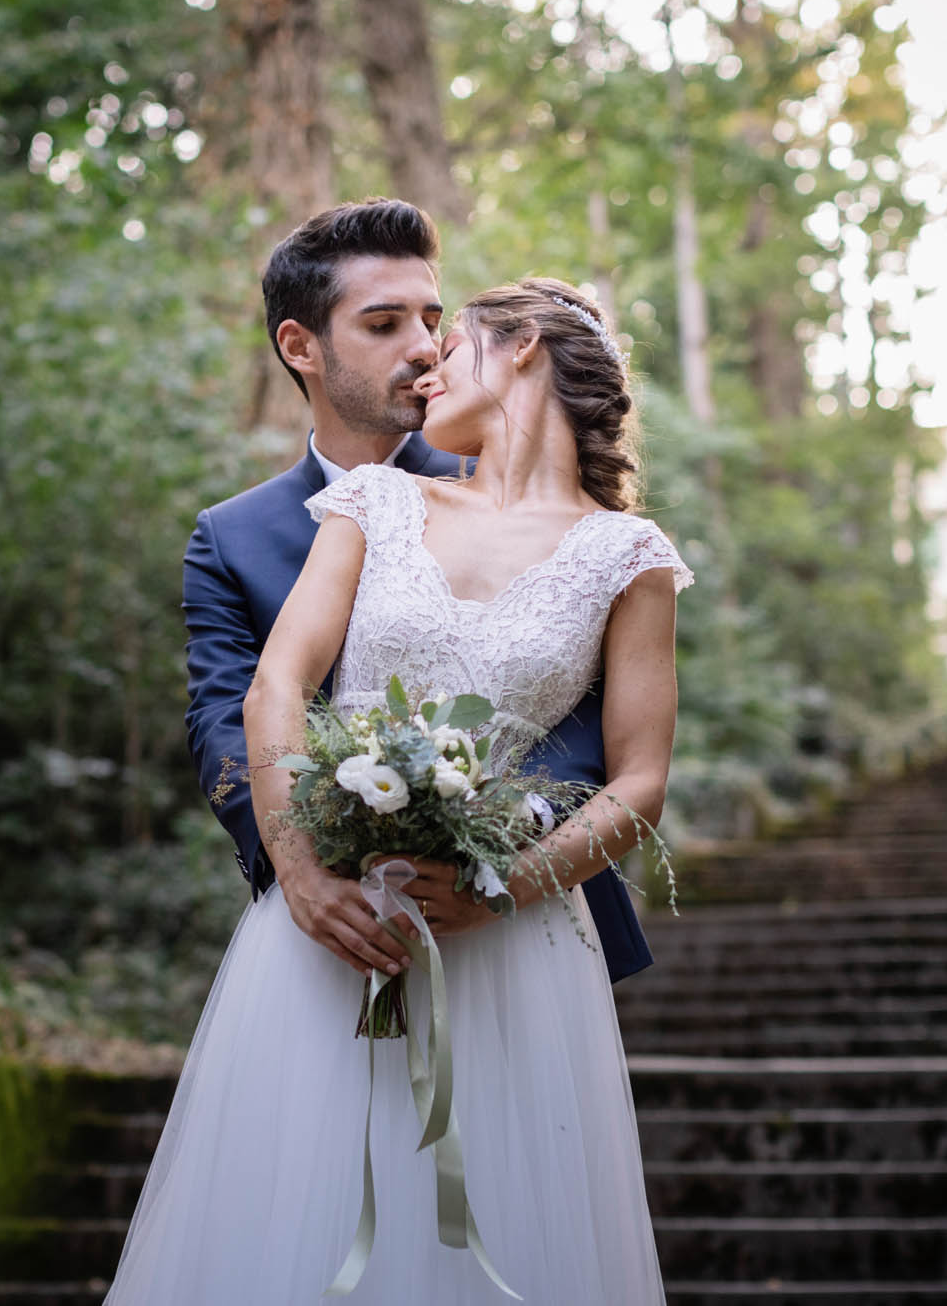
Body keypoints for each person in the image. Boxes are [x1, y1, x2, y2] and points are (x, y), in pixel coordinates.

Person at [103, 276, 691, 1302]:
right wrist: (300, 857)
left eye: (451, 344)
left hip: (513, 943)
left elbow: (639, 777)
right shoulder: (375, 498)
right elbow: (276, 683)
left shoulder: (626, 555)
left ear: (520, 353)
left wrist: (505, 880)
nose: (427, 366)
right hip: (333, 921)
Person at [181, 197, 653, 984]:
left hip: (518, 914)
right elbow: (224, 721)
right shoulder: (231, 538)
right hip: (330, 918)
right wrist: (301, 867)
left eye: (433, 320)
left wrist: (502, 828)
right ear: (301, 346)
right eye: (383, 324)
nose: (425, 348)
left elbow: (592, 710)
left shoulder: (535, 499)